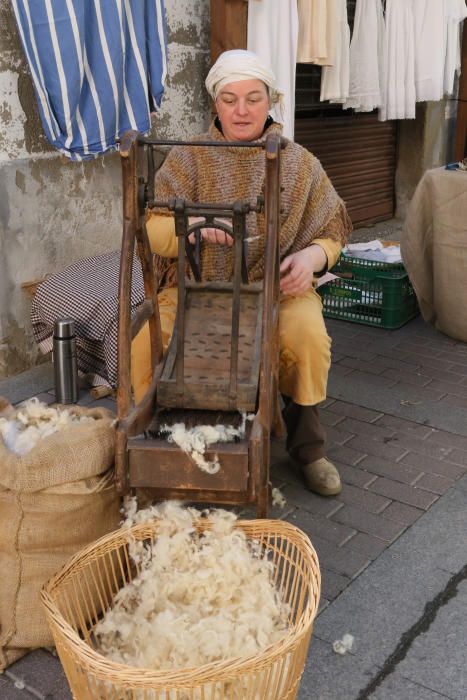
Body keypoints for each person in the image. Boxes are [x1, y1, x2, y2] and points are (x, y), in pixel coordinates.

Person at [131, 50, 352, 496]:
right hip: (196, 289)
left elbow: (333, 230)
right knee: (143, 344)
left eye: (253, 98)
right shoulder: (188, 157)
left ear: (270, 101)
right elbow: (151, 227)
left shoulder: (298, 162)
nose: (242, 110)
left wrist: (309, 261)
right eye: (230, 99)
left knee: (305, 336)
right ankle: (155, 445)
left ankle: (309, 449)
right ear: (215, 103)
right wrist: (191, 229)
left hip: (275, 290)